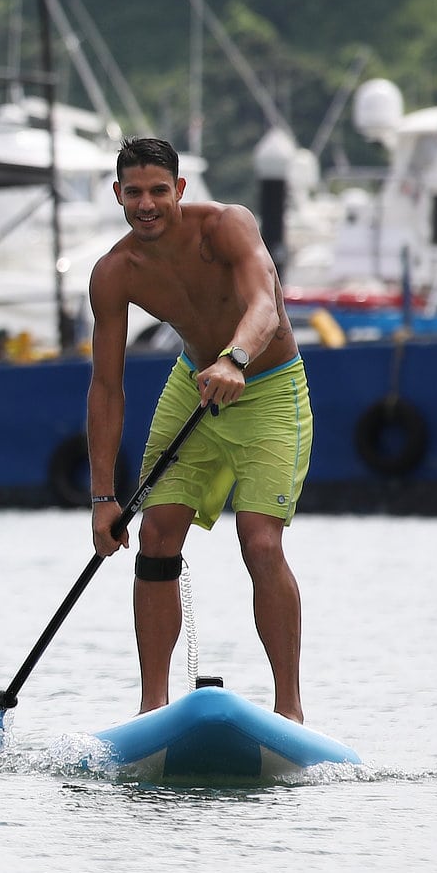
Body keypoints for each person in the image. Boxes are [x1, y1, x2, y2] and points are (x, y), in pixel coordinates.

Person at [86, 137, 312, 722]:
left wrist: (235, 358)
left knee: (260, 542)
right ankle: (152, 708)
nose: (147, 204)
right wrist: (103, 498)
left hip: (268, 385)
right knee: (157, 537)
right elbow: (107, 388)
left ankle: (290, 711)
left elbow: (267, 302)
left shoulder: (227, 227)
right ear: (117, 195)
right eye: (133, 193)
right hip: (194, 383)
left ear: (180, 190)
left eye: (159, 190)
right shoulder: (114, 273)